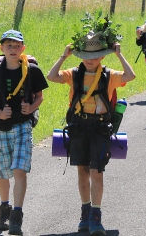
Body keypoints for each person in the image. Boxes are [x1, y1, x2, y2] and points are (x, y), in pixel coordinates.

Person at [47, 26, 135, 236]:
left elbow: (130, 75)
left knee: (96, 172)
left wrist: (119, 54)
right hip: (78, 127)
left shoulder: (109, 75)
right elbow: (51, 76)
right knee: (82, 172)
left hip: (99, 129)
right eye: (86, 56)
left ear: (102, 56)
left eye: (95, 56)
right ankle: (85, 213)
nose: (90, 60)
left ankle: (96, 217)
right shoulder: (74, 74)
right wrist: (64, 56)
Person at [0, 30, 48, 235]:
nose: (13, 49)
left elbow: (39, 97)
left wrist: (31, 108)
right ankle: (5, 209)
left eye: (17, 45)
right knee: (3, 172)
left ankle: (16, 215)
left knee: (19, 169)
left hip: (23, 125)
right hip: (1, 127)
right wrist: (0, 113)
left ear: (23, 48)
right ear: (1, 48)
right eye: (9, 45)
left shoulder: (32, 70)